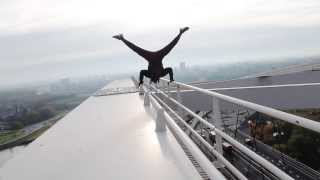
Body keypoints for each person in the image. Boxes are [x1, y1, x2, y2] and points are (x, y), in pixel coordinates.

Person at [113, 27, 189, 86]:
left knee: (170, 46)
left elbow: (169, 70)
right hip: (155, 56)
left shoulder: (158, 74)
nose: (155, 80)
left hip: (153, 56)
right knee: (170, 46)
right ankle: (122, 38)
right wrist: (141, 81)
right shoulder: (155, 74)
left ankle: (122, 38)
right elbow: (142, 72)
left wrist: (141, 81)